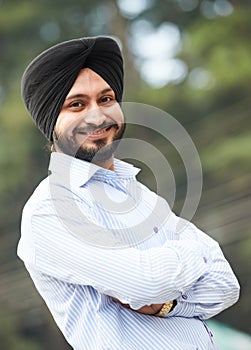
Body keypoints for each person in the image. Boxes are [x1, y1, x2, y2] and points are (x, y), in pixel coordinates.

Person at [17, 36, 240, 350]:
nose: (97, 116)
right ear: (50, 119)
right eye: (77, 104)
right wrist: (197, 253)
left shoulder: (142, 195)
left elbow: (226, 284)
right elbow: (146, 282)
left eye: (106, 99)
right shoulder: (51, 210)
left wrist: (169, 305)